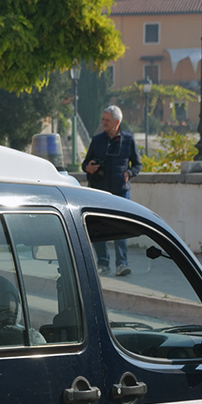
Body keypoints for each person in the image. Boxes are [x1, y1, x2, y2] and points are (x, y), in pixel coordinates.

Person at [82, 105, 142, 276]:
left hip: (120, 191)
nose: (104, 123)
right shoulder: (97, 139)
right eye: (103, 120)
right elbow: (85, 163)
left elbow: (137, 165)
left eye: (107, 120)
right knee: (98, 227)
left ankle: (122, 264)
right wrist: (89, 168)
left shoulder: (128, 141)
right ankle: (103, 263)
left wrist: (128, 173)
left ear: (117, 122)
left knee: (121, 227)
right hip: (98, 191)